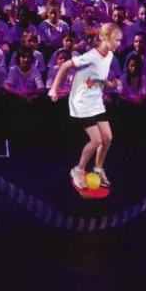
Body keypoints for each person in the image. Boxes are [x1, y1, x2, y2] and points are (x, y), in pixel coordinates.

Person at [48, 22, 123, 190]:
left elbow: (96, 77)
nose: (120, 44)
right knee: (96, 140)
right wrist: (54, 89)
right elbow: (66, 65)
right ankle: (78, 170)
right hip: (81, 102)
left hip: (95, 100)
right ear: (106, 38)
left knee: (108, 138)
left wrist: (109, 84)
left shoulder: (109, 55)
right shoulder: (91, 56)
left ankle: (97, 170)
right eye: (117, 40)